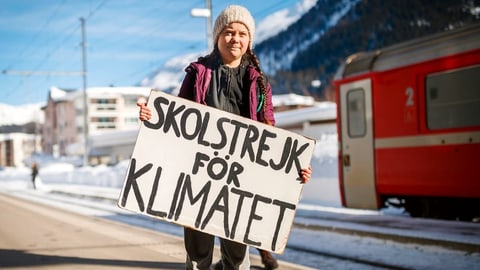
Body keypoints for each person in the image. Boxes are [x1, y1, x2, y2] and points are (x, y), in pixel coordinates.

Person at [138, 5, 312, 270]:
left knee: (237, 258)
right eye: (229, 32)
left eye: (243, 34)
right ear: (218, 36)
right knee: (198, 257)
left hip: (241, 183)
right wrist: (153, 117)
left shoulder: (259, 82)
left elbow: (270, 132)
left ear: (249, 40)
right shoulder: (197, 74)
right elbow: (176, 120)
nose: (236, 38)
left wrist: (292, 165)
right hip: (198, 178)